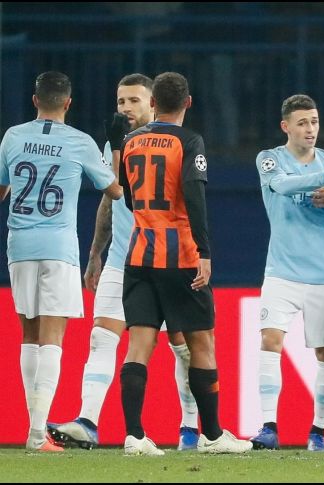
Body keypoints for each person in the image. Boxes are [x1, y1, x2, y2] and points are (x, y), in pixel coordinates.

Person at [47, 73, 200, 451]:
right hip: (121, 260)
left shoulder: (179, 144)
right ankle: (88, 421)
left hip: (168, 260)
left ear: (153, 104)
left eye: (134, 101)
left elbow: (190, 203)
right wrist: (96, 252)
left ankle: (190, 429)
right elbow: (110, 197)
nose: (126, 109)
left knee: (181, 346)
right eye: (120, 102)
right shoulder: (113, 144)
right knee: (102, 338)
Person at [118, 72, 251, 455]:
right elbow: (194, 197)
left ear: (153, 103)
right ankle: (211, 436)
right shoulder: (189, 141)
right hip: (180, 257)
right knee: (202, 344)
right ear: (188, 103)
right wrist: (205, 253)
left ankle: (134, 436)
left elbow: (128, 198)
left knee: (139, 346)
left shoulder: (130, 141)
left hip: (140, 254)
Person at [0, 71, 122, 452]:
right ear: (68, 103)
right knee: (52, 340)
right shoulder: (80, 142)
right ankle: (37, 435)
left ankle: (33, 430)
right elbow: (116, 191)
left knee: (30, 337)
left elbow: (2, 190)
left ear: (34, 101)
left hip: (19, 246)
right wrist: (116, 148)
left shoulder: (13, 136)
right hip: (58, 248)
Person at [250, 94, 324, 452]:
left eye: (314, 122)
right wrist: (322, 182)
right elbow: (280, 185)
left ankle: (318, 431)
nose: (310, 129)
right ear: (286, 127)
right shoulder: (269, 159)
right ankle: (269, 426)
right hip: (280, 270)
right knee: (270, 341)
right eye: (302, 123)